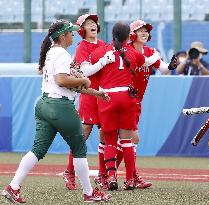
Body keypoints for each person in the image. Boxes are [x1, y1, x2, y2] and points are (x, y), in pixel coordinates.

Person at [1, 20, 111, 203]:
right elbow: (62, 80)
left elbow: (70, 85)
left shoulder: (52, 53)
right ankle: (89, 193)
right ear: (62, 36)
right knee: (79, 149)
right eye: (70, 32)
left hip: (44, 104)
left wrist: (95, 92)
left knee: (37, 150)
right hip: (59, 106)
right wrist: (84, 79)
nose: (73, 35)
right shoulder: (62, 54)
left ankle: (13, 187)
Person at [113, 19, 177, 189]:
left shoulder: (149, 51)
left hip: (135, 102)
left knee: (125, 140)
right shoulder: (128, 51)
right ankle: (128, 176)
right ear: (131, 34)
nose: (144, 33)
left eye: (146, 31)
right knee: (131, 138)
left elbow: (163, 69)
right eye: (140, 30)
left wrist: (171, 65)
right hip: (124, 99)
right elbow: (146, 62)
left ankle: (111, 173)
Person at [90, 22, 149, 191]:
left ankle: (111, 177)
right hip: (127, 97)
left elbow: (90, 69)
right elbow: (147, 61)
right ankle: (130, 180)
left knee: (109, 141)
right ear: (128, 36)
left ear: (113, 34)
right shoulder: (134, 53)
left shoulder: (100, 52)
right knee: (126, 141)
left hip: (108, 97)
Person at [62, 13, 114, 191]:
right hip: (90, 96)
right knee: (81, 137)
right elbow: (86, 73)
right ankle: (69, 172)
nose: (93, 25)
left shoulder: (104, 45)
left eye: (94, 22)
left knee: (105, 135)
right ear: (82, 29)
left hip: (104, 95)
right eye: (88, 23)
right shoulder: (82, 47)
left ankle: (103, 175)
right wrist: (103, 61)